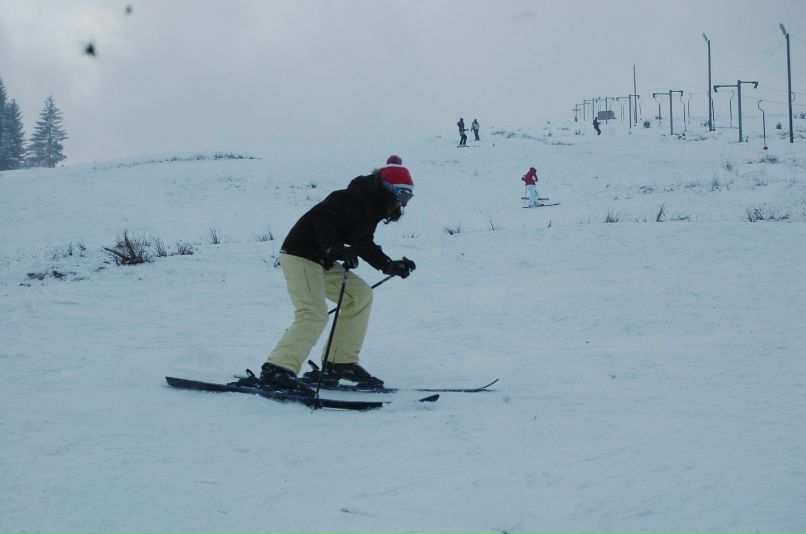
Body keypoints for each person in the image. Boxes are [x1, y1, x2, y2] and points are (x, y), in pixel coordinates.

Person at [254, 155, 417, 394]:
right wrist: (334, 247)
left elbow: (363, 242)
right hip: (301, 254)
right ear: (388, 189)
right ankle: (277, 369)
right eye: (402, 196)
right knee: (313, 313)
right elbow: (323, 220)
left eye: (408, 198)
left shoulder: (371, 208)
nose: (403, 204)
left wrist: (389, 266)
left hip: (323, 261)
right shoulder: (352, 198)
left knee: (359, 295)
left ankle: (339, 363)